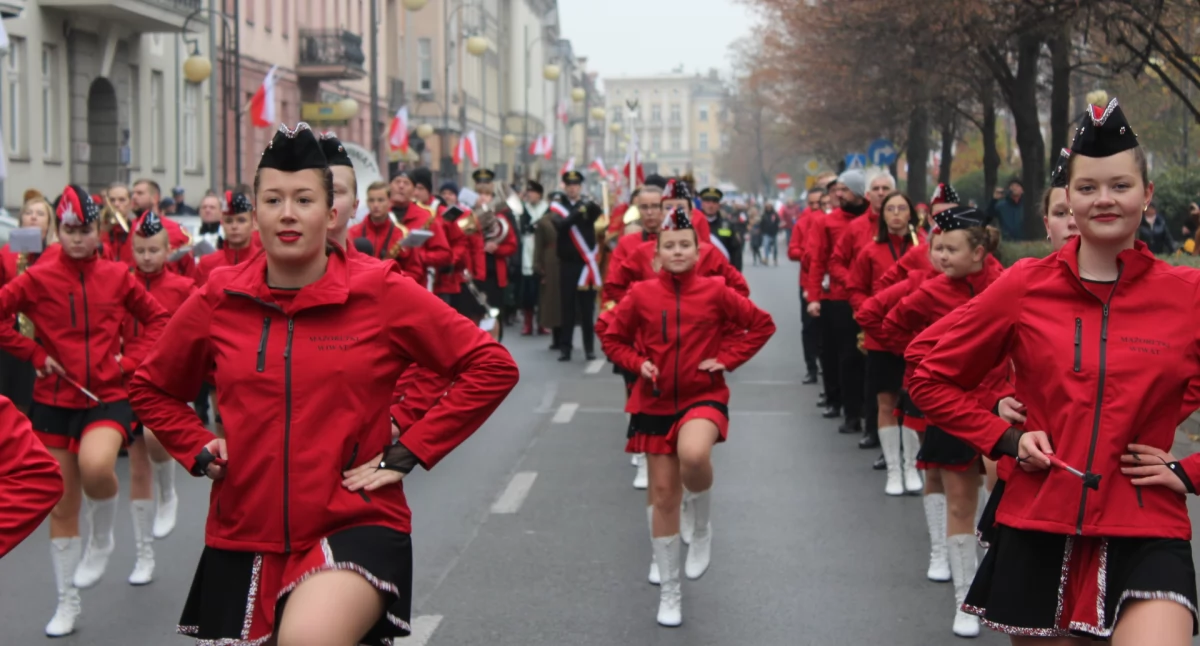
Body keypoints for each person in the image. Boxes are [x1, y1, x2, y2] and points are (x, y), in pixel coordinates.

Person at [128, 123, 520, 646]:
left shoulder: (379, 290)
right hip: (244, 528)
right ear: (256, 213)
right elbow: (152, 387)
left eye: (304, 199)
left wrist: (407, 453)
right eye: (272, 199)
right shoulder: (218, 297)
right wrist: (197, 447)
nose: (287, 213)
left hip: (353, 518)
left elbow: (491, 366)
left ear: (331, 213)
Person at [911, 98, 1200, 644]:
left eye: (1120, 185)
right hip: (1040, 521)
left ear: (1147, 195)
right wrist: (1003, 435)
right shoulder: (1025, 284)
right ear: (1067, 199)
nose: (1104, 199)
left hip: (1146, 523)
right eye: (1087, 188)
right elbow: (929, 375)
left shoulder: (1188, 296)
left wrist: (1190, 472)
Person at [0, 186, 170, 636]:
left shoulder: (116, 275)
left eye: (85, 230)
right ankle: (66, 602)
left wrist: (129, 361)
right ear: (59, 230)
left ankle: (103, 537)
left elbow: (158, 319)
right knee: (60, 498)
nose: (77, 238)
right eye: (70, 230)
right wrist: (34, 355)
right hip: (54, 399)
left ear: (97, 230)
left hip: (107, 395)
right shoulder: (37, 275)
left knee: (97, 467)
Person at [597, 204, 774, 627]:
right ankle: (670, 592)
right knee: (662, 496)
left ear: (699, 251)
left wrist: (727, 358)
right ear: (656, 254)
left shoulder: (715, 290)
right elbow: (610, 334)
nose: (677, 251)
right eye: (669, 246)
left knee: (694, 457)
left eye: (685, 245)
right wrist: (635, 362)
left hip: (702, 396)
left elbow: (762, 325)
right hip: (654, 401)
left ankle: (703, 521)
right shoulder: (641, 294)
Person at [880, 204, 1003, 638]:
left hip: (999, 406)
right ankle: (964, 599)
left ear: (981, 251)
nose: (942, 257)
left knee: (999, 485)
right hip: (949, 406)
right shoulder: (930, 291)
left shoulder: (1008, 285)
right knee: (954, 496)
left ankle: (993, 563)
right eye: (937, 248)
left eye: (951, 248)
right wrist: (921, 367)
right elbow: (884, 322)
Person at [122, 211, 197, 578]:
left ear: (169, 250)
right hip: (125, 380)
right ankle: (143, 555)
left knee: (156, 437)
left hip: (167, 380)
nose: (147, 256)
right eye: (140, 250)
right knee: (137, 469)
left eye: (154, 249)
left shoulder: (183, 289)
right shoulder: (121, 284)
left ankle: (168, 490)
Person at [848, 191, 925, 494]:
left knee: (914, 402)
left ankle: (911, 467)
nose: (895, 214)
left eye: (901, 208)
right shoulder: (871, 250)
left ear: (910, 215)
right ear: (882, 216)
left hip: (917, 335)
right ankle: (893, 469)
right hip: (881, 334)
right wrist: (869, 313)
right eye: (890, 209)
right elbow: (855, 288)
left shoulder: (924, 249)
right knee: (886, 400)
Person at [806, 169, 873, 432]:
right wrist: (813, 297)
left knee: (868, 357)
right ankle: (848, 409)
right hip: (838, 297)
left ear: (857, 192)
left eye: (844, 190)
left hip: (870, 299)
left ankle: (869, 410)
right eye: (837, 190)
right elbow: (818, 261)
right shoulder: (827, 222)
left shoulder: (873, 220)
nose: (838, 194)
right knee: (844, 356)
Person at [0, 193, 59, 412]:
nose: (33, 217)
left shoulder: (55, 253)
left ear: (48, 223)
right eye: (28, 213)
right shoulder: (7, 252)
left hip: (43, 334)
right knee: (11, 397)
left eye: (40, 213)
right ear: (21, 220)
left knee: (35, 399)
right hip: (11, 333)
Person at [0, 393, 64, 557]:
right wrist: (41, 364)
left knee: (96, 468)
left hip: (102, 399)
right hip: (55, 396)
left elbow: (38, 476)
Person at [555, 170, 603, 361]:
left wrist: (591, 206)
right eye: (569, 185)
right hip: (567, 264)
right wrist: (577, 212)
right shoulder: (558, 207)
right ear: (565, 187)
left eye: (575, 185)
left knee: (587, 309)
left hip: (586, 265)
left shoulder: (586, 206)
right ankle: (565, 347)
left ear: (580, 187)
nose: (572, 188)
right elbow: (561, 225)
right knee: (567, 307)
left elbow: (598, 217)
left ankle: (589, 348)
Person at [196, 191, 258, 286]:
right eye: (229, 221)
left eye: (241, 220)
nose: (234, 226)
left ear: (253, 222)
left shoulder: (265, 263)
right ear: (222, 223)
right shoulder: (207, 264)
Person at [516, 181, 548, 336]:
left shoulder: (546, 209)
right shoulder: (523, 210)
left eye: (533, 192)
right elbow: (520, 227)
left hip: (542, 253)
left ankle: (542, 323)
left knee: (542, 293)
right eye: (528, 193)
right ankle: (527, 323)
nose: (530, 195)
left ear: (539, 194)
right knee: (527, 292)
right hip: (527, 252)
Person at [698, 187, 742, 271]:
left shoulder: (728, 226)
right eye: (707, 201)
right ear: (702, 203)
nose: (711, 205)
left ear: (718, 205)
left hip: (722, 273)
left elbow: (735, 252)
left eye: (714, 202)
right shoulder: (694, 225)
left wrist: (736, 276)